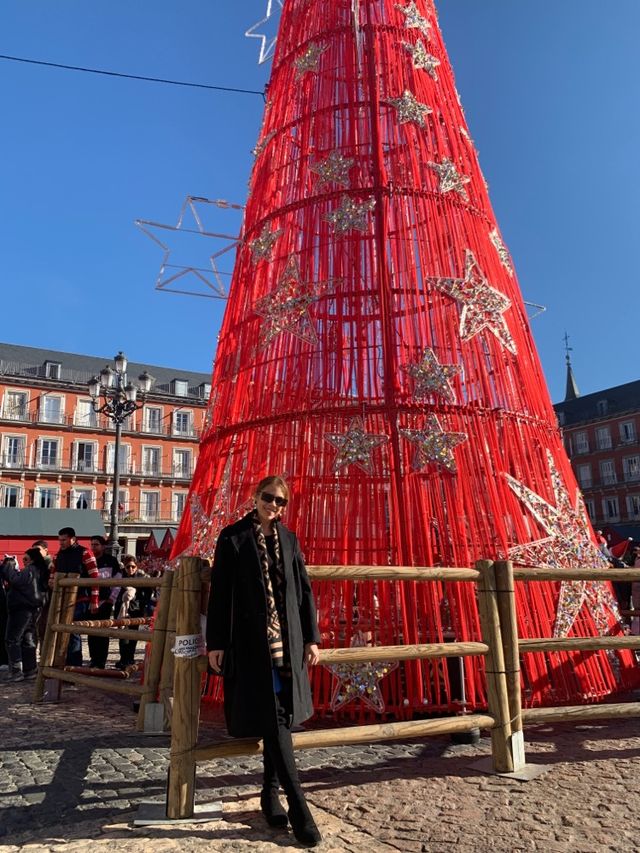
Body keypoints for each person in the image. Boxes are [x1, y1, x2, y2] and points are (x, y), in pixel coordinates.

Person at [207, 476, 322, 847]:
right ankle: (299, 808)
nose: (275, 506)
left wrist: (312, 637)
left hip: (287, 642)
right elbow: (221, 593)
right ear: (254, 497)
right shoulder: (232, 537)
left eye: (281, 501)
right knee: (273, 716)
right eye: (269, 498)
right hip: (251, 642)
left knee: (282, 716)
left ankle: (270, 795)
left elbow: (303, 590)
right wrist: (216, 642)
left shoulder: (289, 539)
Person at [53, 527, 99, 666]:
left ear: (73, 539)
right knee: (61, 630)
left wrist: (94, 600)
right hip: (62, 599)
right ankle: (63, 663)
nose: (61, 543)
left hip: (80, 598)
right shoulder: (59, 554)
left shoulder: (85, 553)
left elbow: (94, 577)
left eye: (64, 540)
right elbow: (54, 573)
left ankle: (74, 666)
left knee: (72, 631)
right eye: (59, 540)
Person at [0, 549, 49, 681]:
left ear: (33, 559)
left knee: (12, 639)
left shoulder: (31, 570)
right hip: (35, 608)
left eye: (26, 559)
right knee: (28, 639)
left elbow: (15, 580)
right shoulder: (42, 571)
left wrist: (8, 565)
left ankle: (16, 671)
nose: (24, 562)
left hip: (22, 608)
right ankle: (30, 669)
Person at [88, 536, 122, 669]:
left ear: (103, 546)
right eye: (92, 544)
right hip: (91, 602)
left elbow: (118, 582)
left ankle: (101, 660)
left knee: (102, 633)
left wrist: (111, 600)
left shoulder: (111, 561)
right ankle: (93, 659)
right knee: (91, 631)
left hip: (105, 602)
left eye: (96, 544)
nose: (93, 547)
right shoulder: (89, 561)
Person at [114, 556, 147, 669]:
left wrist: (140, 604)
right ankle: (123, 659)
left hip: (135, 609)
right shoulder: (120, 576)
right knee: (122, 636)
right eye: (128, 566)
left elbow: (147, 594)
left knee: (133, 636)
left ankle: (130, 659)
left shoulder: (143, 577)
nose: (131, 569)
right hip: (121, 609)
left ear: (136, 567)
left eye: (133, 566)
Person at [32, 540, 53, 645]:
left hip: (48, 599)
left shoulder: (50, 564)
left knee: (44, 627)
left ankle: (44, 656)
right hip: (37, 600)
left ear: (46, 550)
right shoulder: (34, 564)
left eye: (38, 550)